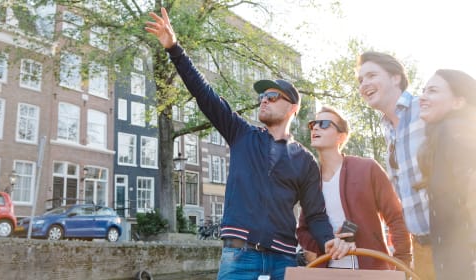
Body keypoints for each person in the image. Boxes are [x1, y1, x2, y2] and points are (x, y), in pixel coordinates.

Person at [145, 8, 351, 280]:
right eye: (263, 96)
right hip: (239, 258)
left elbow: (315, 214)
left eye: (273, 96)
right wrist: (174, 49)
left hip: (283, 260)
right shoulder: (242, 134)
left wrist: (328, 241)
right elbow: (205, 95)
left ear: (292, 109)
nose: (264, 99)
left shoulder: (305, 161)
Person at [297, 106, 412, 270]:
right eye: (313, 123)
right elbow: (303, 230)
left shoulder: (367, 168)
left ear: (341, 137)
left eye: (324, 124)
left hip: (371, 268)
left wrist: (402, 263)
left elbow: (395, 217)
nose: (315, 127)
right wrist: (327, 242)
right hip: (326, 271)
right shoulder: (311, 180)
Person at [356, 51, 435, 279]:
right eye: (361, 80)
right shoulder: (389, 130)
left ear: (395, 78)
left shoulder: (424, 109)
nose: (364, 84)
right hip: (421, 247)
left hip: (454, 240)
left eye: (371, 75)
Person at [418, 69, 476, 280]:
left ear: (458, 102)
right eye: (423, 90)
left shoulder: (455, 131)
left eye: (432, 91)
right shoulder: (441, 136)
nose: (422, 97)